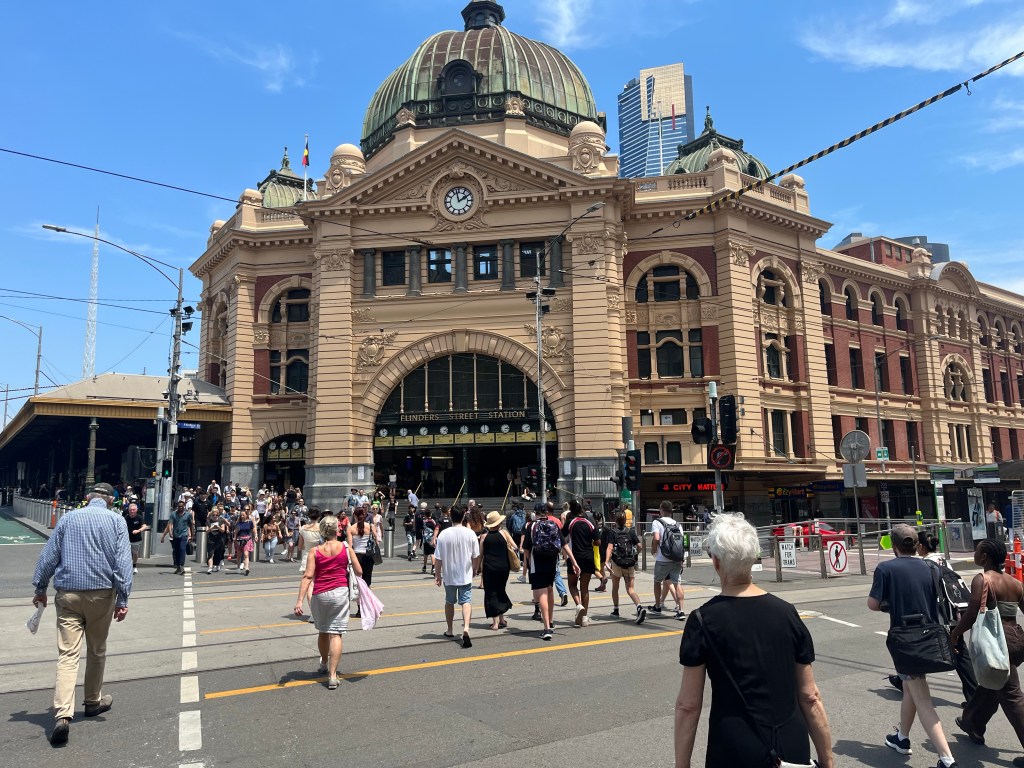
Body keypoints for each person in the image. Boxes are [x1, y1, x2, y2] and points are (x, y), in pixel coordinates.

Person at [675, 513, 833, 768]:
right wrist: (828, 760)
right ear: (753, 558)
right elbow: (810, 696)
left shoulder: (702, 620)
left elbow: (688, 706)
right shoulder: (787, 613)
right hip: (790, 746)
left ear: (716, 562)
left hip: (732, 748)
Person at [32, 482, 133, 746]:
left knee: (67, 655)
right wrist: (123, 599)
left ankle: (62, 715)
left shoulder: (69, 518)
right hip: (101, 594)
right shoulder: (117, 521)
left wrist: (40, 588)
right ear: (110, 500)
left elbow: (49, 556)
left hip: (69, 595)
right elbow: (123, 563)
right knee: (97, 650)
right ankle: (92, 701)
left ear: (88, 498)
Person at [869, 523, 958, 766]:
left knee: (922, 698)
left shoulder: (885, 569)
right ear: (917, 545)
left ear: (894, 546)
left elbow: (873, 604)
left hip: (907, 641)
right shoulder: (930, 567)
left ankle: (947, 759)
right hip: (929, 637)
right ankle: (902, 738)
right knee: (909, 688)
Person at [950, 539, 1024, 761]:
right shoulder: (1015, 583)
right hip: (1017, 640)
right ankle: (972, 722)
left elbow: (972, 613)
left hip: (997, 643)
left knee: (1011, 695)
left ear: (984, 557)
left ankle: (972, 722)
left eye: (977, 551)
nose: (975, 553)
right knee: (992, 684)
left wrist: (955, 634)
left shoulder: (982, 579)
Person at [294, 515, 362, 690]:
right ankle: (332, 676)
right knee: (336, 633)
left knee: (323, 630)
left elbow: (308, 576)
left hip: (320, 594)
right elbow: (359, 571)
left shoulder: (314, 551)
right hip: (339, 593)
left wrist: (300, 601)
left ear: (322, 532)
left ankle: (324, 663)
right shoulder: (345, 548)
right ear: (337, 530)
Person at [524, 502, 580, 641]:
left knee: (542, 593)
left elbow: (526, 549)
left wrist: (528, 564)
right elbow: (564, 544)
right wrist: (574, 562)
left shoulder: (531, 526)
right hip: (552, 561)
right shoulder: (553, 524)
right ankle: (551, 621)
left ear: (535, 513)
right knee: (550, 590)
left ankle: (547, 628)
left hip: (537, 562)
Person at [433, 506, 481, 648]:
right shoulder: (470, 534)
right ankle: (466, 627)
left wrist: (437, 574)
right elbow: (476, 556)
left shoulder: (444, 534)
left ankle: (450, 629)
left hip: (449, 575)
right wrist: (475, 568)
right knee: (466, 601)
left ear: (450, 516)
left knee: (449, 602)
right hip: (465, 574)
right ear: (463, 516)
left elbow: (438, 558)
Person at [605, 510, 646, 624]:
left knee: (615, 587)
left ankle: (616, 610)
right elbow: (639, 546)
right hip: (629, 563)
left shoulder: (612, 532)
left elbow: (610, 547)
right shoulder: (631, 531)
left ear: (615, 520)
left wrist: (607, 561)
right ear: (625, 520)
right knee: (630, 589)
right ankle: (639, 607)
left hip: (617, 563)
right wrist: (635, 556)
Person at [563, 499, 599, 627]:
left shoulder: (571, 523)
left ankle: (579, 605)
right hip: (588, 557)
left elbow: (561, 536)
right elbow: (598, 541)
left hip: (574, 557)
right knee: (585, 588)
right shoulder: (590, 523)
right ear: (582, 511)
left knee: (572, 584)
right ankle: (584, 618)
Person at [651, 500, 686, 620]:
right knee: (677, 583)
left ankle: (657, 606)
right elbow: (682, 541)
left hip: (663, 558)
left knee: (657, 581)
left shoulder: (657, 522)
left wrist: (653, 549)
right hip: (677, 558)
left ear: (661, 510)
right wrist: (682, 557)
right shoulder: (677, 524)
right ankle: (681, 611)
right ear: (671, 511)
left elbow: (656, 538)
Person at [479, 511, 514, 630]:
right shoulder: (504, 533)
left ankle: (495, 623)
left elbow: (480, 555)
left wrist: (477, 568)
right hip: (503, 567)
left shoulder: (484, 537)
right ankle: (502, 619)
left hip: (489, 567)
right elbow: (514, 546)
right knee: (500, 590)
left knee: (491, 592)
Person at [348, 508, 382, 589]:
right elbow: (376, 539)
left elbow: (350, 545)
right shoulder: (370, 526)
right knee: (367, 581)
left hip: (356, 556)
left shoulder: (351, 529)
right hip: (368, 555)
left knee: (357, 580)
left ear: (355, 516)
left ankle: (359, 596)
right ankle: (368, 595)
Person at [161, 500, 194, 575]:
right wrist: (170, 532)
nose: (181, 508)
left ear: (184, 506)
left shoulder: (188, 515)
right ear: (177, 507)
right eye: (179, 506)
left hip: (184, 534)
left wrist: (192, 535)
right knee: (176, 551)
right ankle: (178, 566)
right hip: (176, 535)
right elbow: (170, 523)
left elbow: (191, 525)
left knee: (182, 549)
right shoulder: (173, 514)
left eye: (182, 506)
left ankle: (181, 565)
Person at [122, 502, 149, 574]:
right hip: (126, 539)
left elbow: (144, 526)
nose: (132, 511)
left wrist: (138, 530)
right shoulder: (125, 518)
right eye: (131, 510)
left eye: (134, 510)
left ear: (136, 510)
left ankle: (134, 566)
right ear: (128, 510)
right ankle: (128, 567)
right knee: (127, 554)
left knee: (135, 553)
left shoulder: (139, 517)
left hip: (136, 539)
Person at [234, 507, 255, 575]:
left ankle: (246, 568)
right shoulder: (238, 523)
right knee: (239, 555)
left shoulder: (249, 522)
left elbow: (252, 530)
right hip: (240, 539)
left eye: (243, 515)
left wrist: (255, 536)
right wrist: (235, 536)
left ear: (246, 515)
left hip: (247, 539)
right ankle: (238, 567)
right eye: (241, 515)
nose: (242, 516)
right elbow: (235, 532)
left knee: (246, 554)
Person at [421, 508, 438, 575]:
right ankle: (433, 567)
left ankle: (424, 566)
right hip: (431, 539)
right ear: (430, 514)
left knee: (426, 554)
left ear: (425, 515)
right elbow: (435, 529)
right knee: (432, 553)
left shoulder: (424, 521)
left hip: (425, 539)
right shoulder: (433, 521)